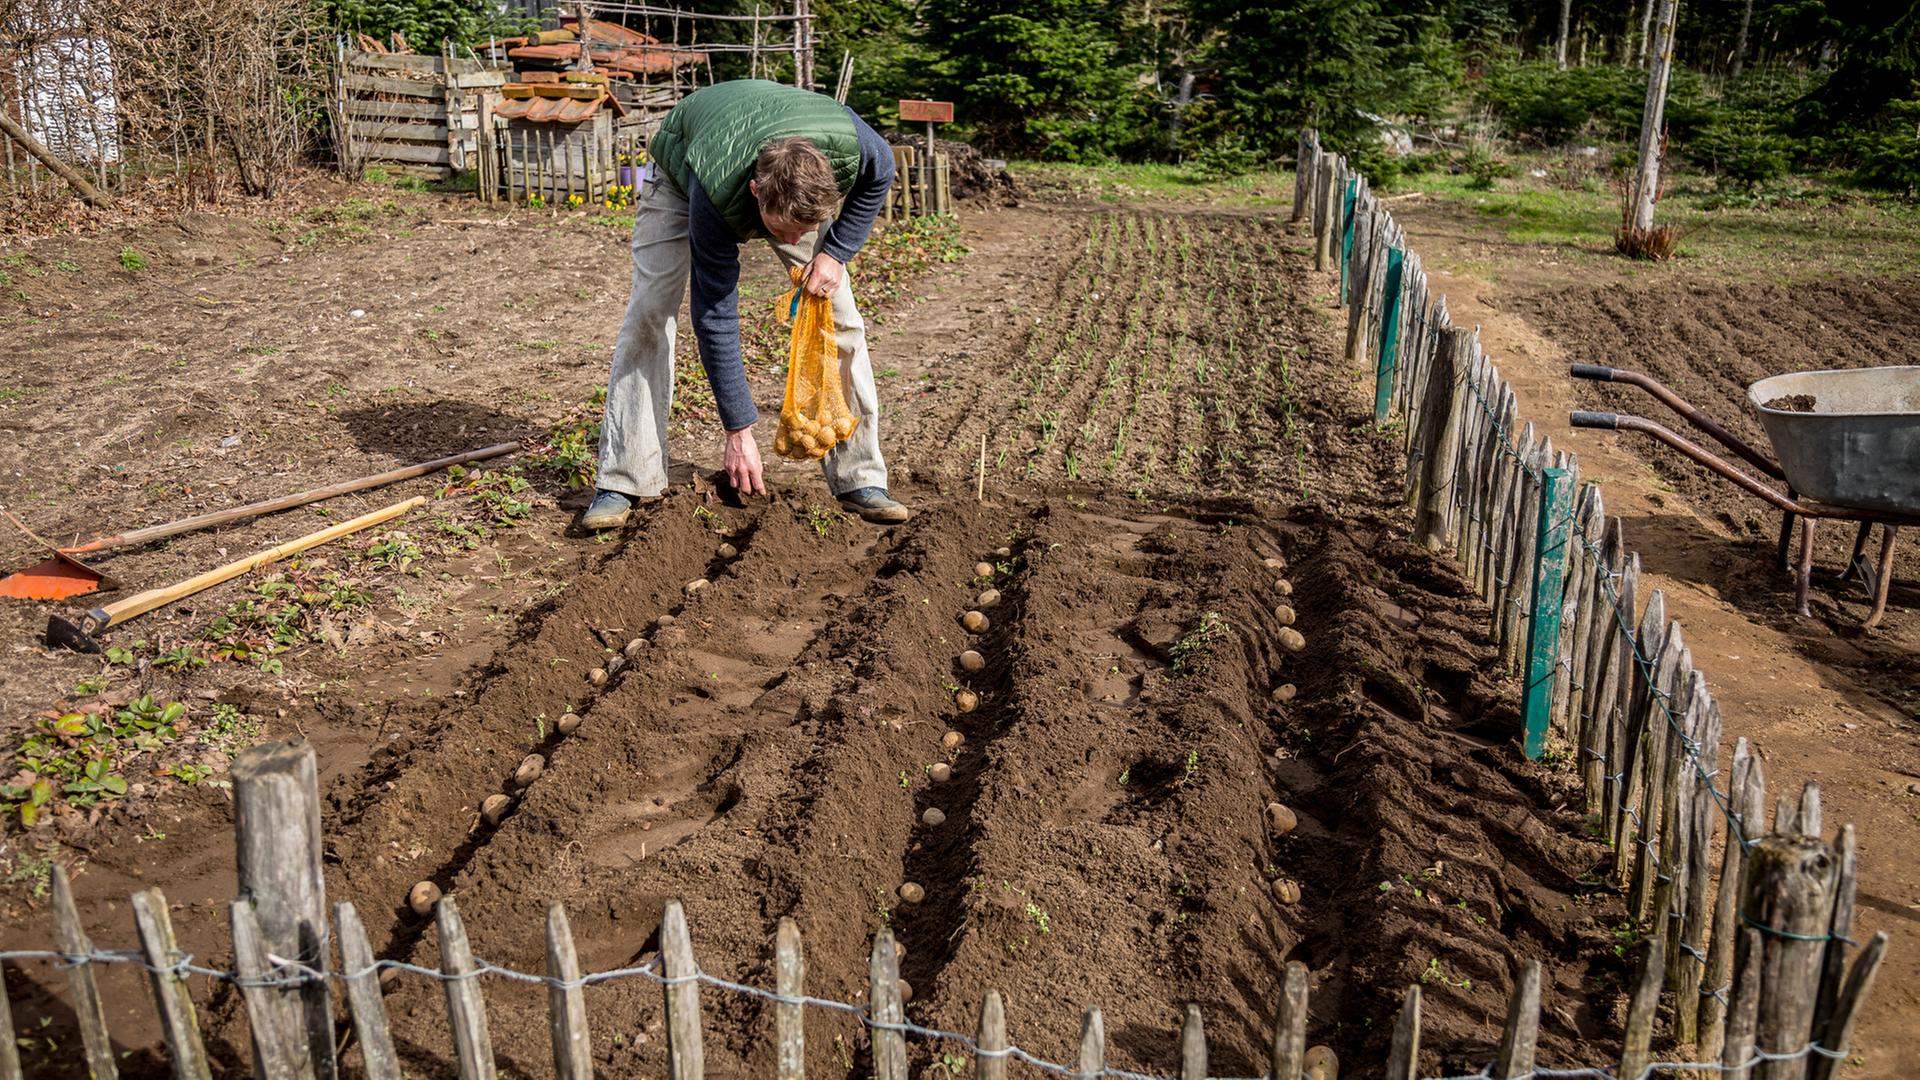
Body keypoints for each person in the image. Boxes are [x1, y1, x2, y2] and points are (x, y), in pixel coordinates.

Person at [581, 79, 907, 529]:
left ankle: (860, 477)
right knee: (650, 315)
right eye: (786, 229)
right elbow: (715, 313)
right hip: (687, 169)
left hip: (787, 142)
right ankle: (623, 478)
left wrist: (835, 252)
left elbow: (883, 171)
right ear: (756, 192)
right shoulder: (716, 195)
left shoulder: (855, 148)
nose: (796, 242)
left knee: (841, 318)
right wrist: (738, 431)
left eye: (805, 228)